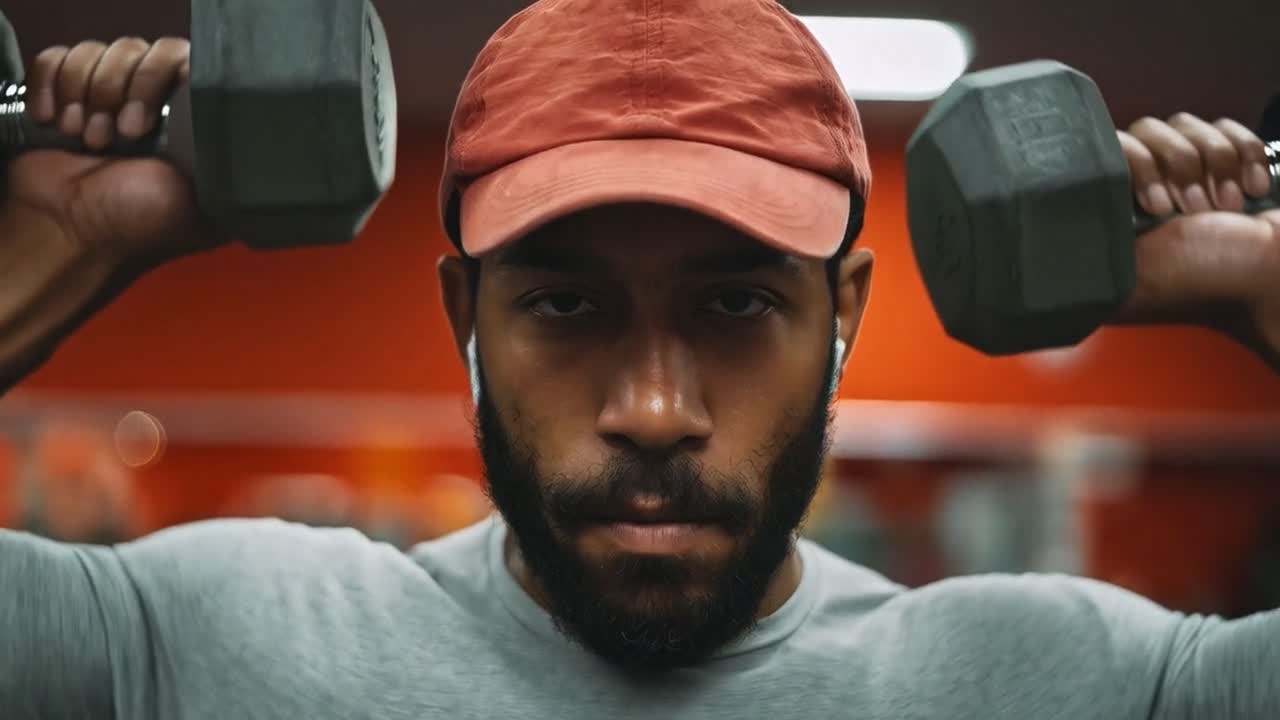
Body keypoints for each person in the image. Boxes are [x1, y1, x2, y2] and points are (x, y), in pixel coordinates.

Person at [1, 1, 1277, 717]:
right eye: (565, 307)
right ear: (463, 316)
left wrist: (1260, 290)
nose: (653, 411)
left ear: (844, 313)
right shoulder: (206, 643)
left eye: (733, 305)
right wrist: (52, 250)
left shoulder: (1065, 685)